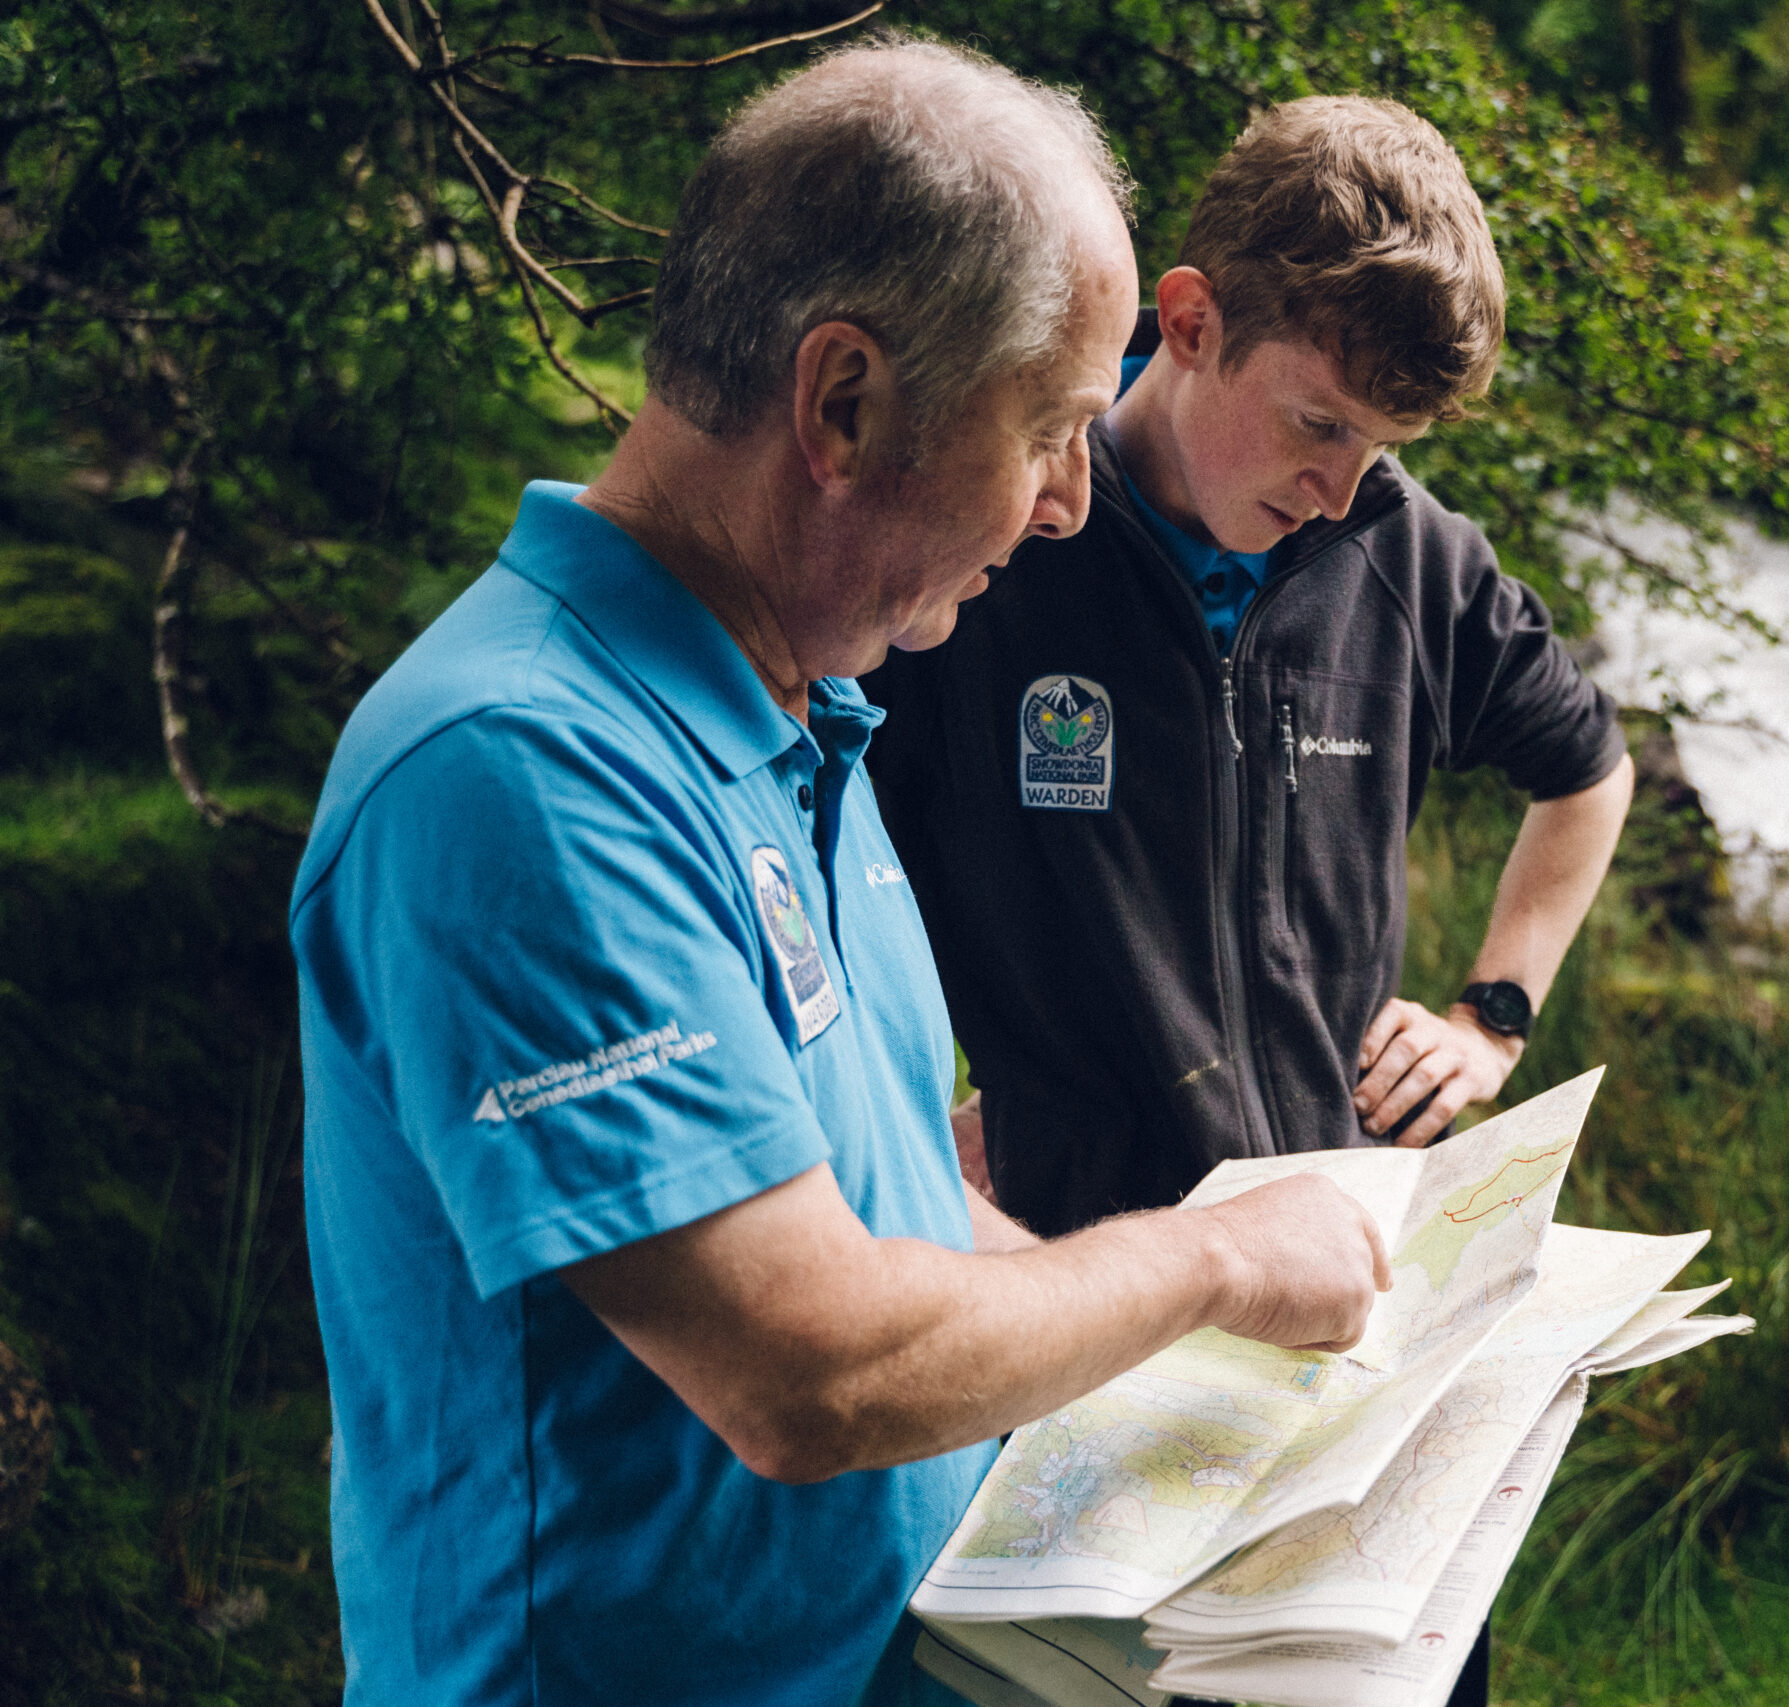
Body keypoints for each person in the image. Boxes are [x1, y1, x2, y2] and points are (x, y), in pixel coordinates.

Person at [289, 43, 1389, 1707]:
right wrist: (1213, 1260)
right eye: (1050, 427)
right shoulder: (520, 769)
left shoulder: (805, 710)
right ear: (844, 400)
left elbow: (888, 1206)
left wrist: (1207, 1382)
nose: (1070, 503)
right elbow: (806, 1368)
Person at [864, 96, 1634, 1234]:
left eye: (1383, 446)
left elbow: (1590, 771)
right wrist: (904, 1106)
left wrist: (1491, 1019)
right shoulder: (996, 540)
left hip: (1355, 1227)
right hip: (1075, 1253)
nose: (1342, 493)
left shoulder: (1413, 557)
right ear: (1190, 322)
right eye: (1319, 424)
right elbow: (827, 835)